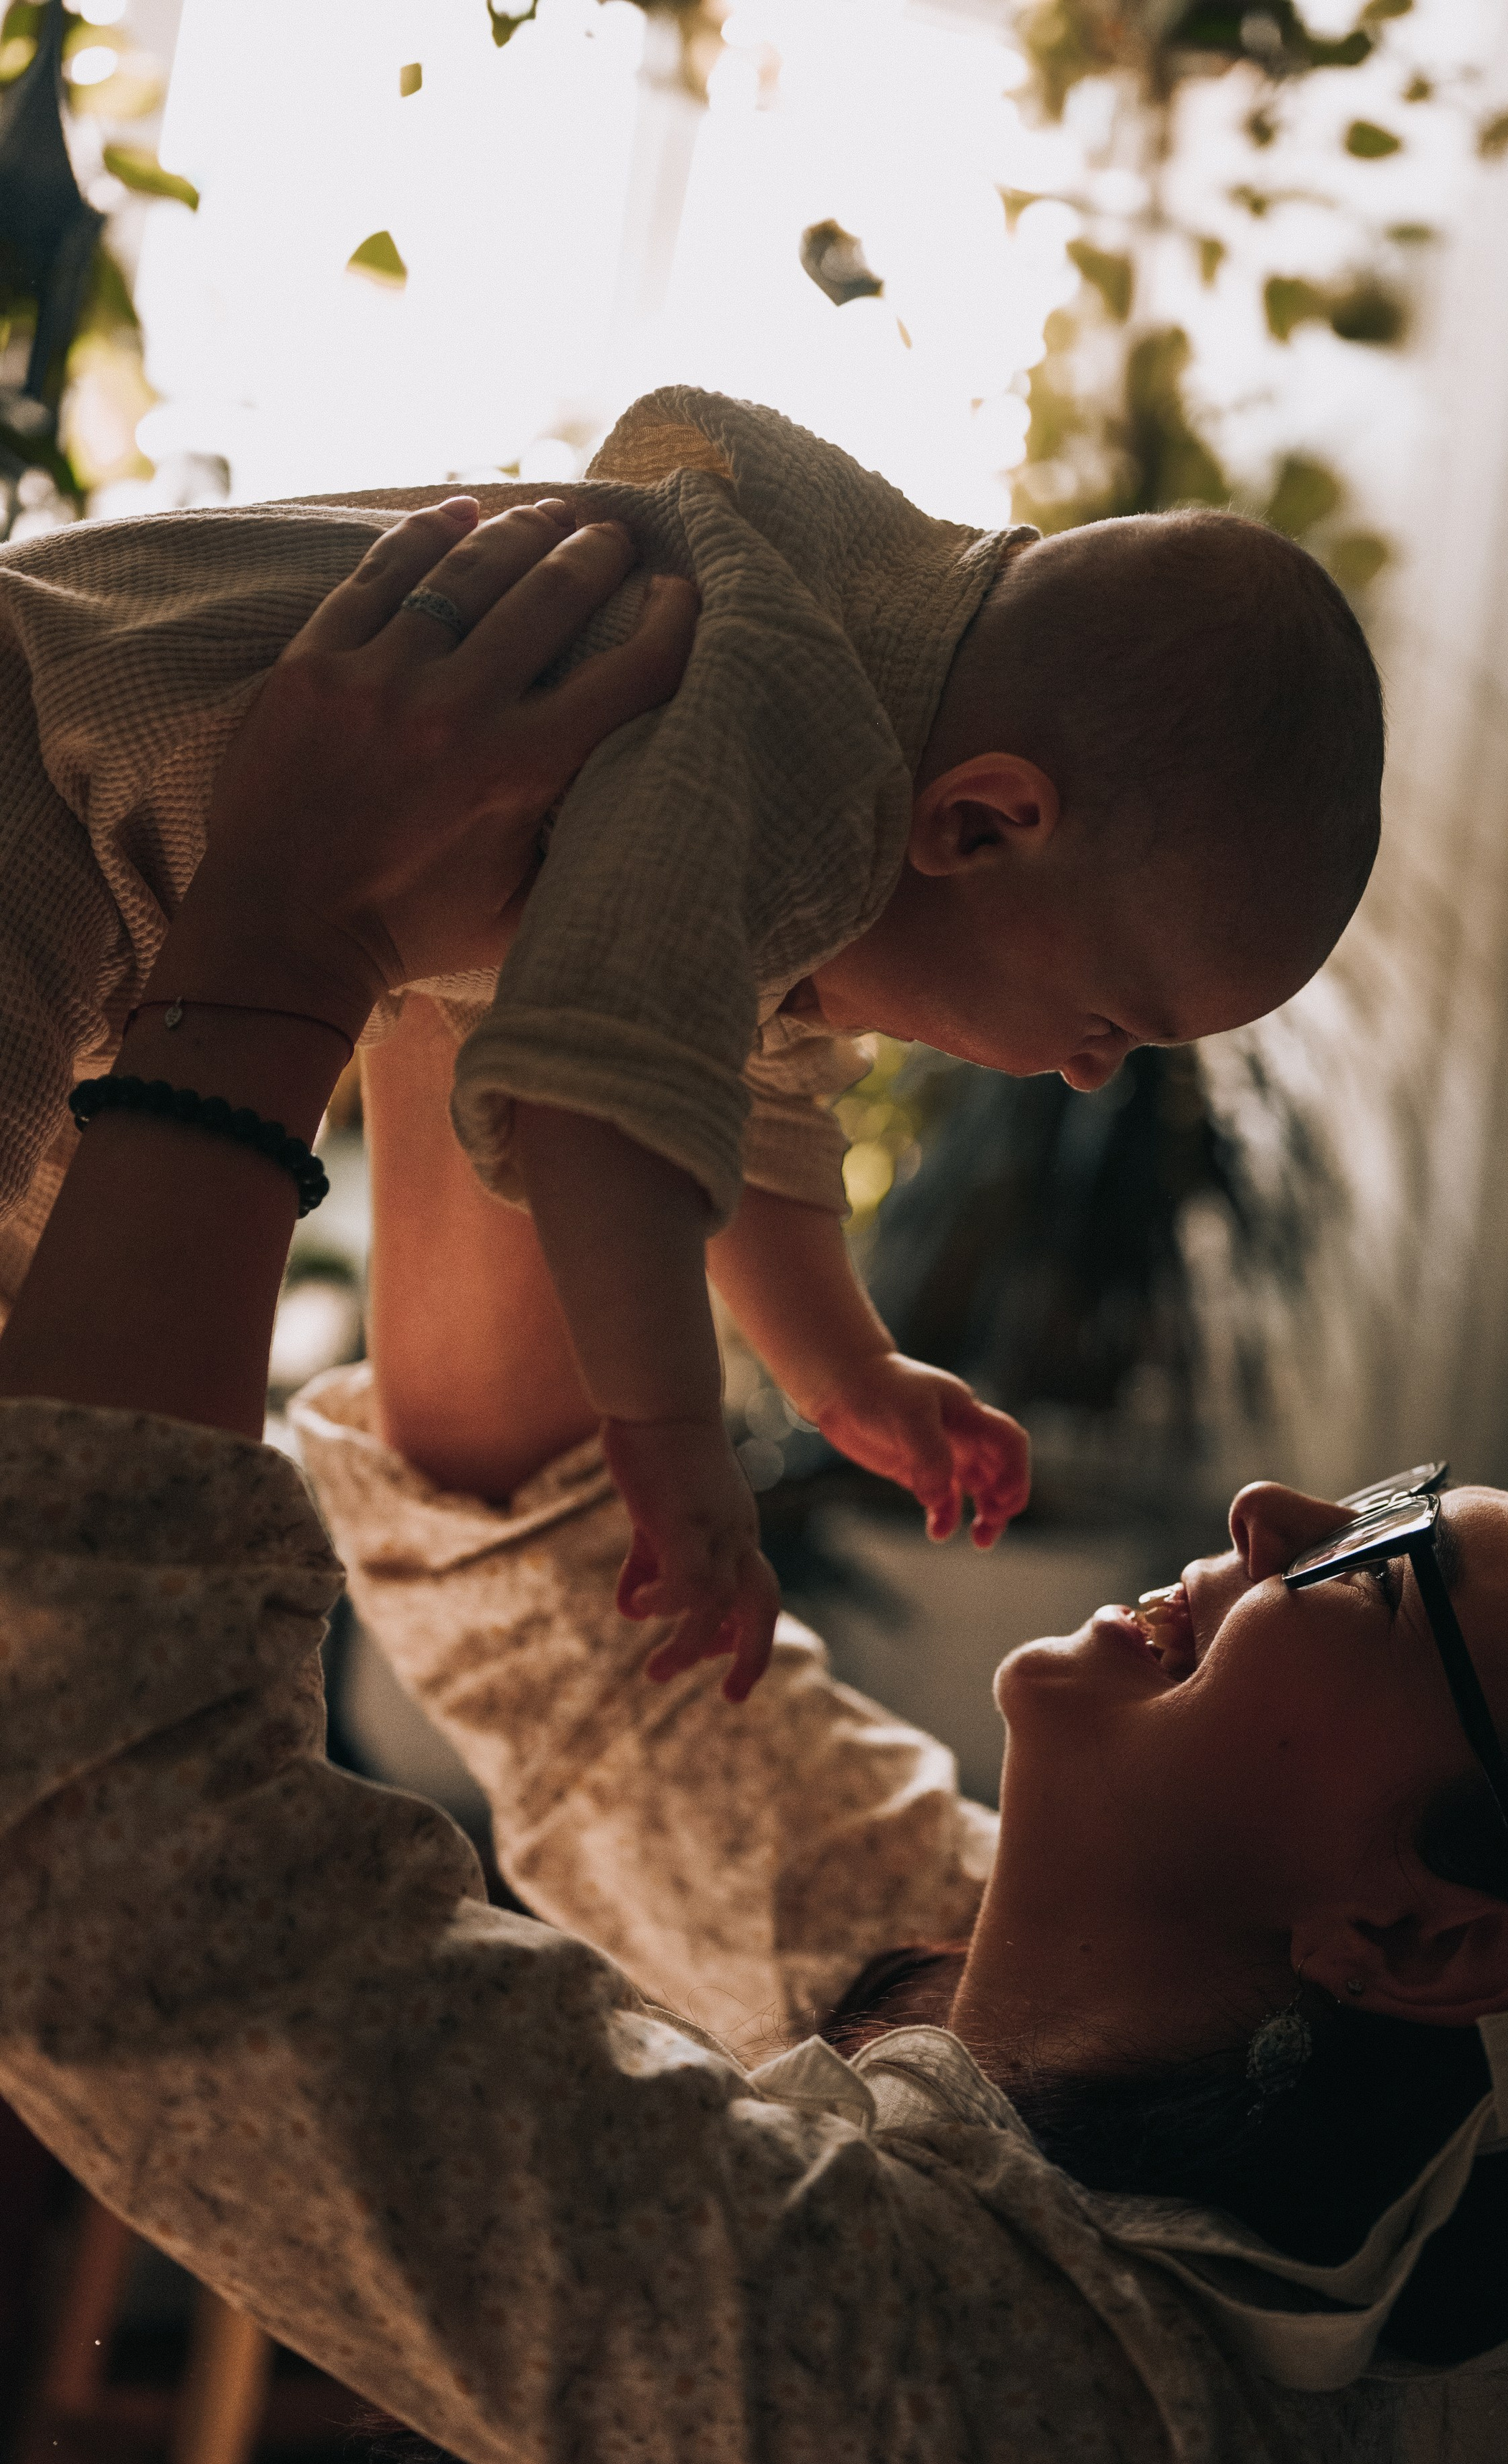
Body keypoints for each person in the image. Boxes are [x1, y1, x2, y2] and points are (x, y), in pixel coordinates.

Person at [3, 511, 1508, 2464]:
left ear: (1421, 1937)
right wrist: (533, 888)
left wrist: (280, 931)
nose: (1274, 1510)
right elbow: (567, 1612)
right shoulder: (1007, 2009)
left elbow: (112, 1884)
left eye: (1379, 1569)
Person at [0, 385, 1382, 1697]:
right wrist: (670, 1449)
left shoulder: (811, 778)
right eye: (1112, 1026)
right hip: (42, 784)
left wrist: (846, 1371)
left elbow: (746, 1101)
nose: (1090, 1074)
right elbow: (604, 1105)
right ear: (983, 823)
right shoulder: (797, 739)